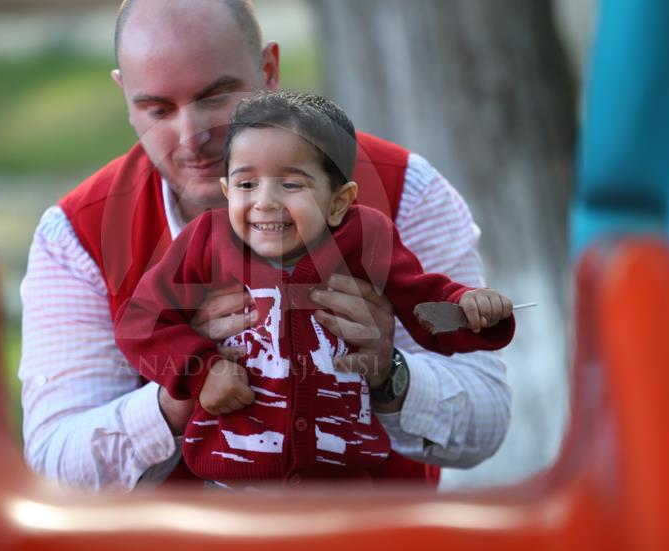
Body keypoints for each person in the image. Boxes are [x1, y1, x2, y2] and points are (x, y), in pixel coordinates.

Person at [19, 0, 512, 491]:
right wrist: (182, 391)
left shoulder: (404, 189)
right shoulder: (77, 234)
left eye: (215, 97)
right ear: (125, 97)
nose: (192, 137)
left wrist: (390, 376)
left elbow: (487, 420)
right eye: (158, 109)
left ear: (269, 71)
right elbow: (55, 464)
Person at [115, 91, 515, 486]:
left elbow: (422, 299)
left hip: (344, 489)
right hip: (233, 485)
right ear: (226, 192)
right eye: (247, 184)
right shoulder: (207, 240)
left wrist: (469, 307)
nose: (265, 202)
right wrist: (200, 371)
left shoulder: (365, 237)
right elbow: (141, 321)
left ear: (339, 202)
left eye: (291, 185)